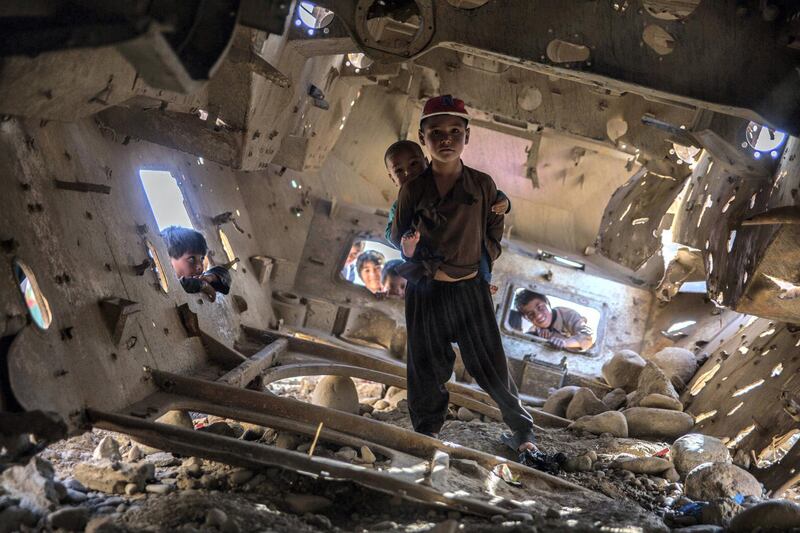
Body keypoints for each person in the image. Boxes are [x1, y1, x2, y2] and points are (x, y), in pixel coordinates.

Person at [390, 95, 536, 453]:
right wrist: (408, 251)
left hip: (469, 290)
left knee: (491, 367)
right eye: (436, 132)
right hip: (426, 293)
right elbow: (397, 234)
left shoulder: (484, 185)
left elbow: (493, 234)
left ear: (467, 137)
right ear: (424, 139)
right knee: (426, 367)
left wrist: (480, 272)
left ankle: (523, 433)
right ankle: (427, 433)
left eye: (455, 131)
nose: (446, 139)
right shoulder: (413, 189)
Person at [383, 139, 511, 292]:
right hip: (430, 251)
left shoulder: (447, 183)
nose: (408, 172)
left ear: (426, 162)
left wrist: (505, 202)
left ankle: (482, 283)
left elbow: (487, 196)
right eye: (398, 170)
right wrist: (407, 240)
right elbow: (391, 233)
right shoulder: (399, 206)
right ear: (392, 178)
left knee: (480, 251)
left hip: (463, 241)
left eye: (413, 164)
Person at [161, 226, 231, 301]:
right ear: (168, 259)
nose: (200, 266)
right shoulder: (161, 282)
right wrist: (202, 285)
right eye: (191, 259)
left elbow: (224, 274)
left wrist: (211, 277)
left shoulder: (197, 278)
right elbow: (177, 286)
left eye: (202, 259)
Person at [514, 289, 595, 351]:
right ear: (527, 318)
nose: (538, 315)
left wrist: (563, 342)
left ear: (548, 303)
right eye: (531, 314)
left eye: (540, 308)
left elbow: (588, 337)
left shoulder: (568, 314)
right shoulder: (533, 331)